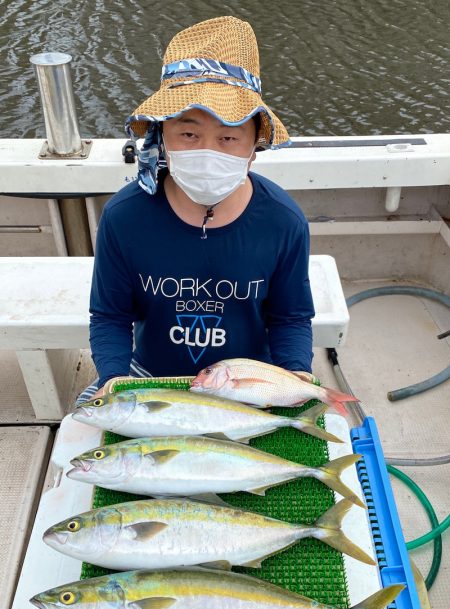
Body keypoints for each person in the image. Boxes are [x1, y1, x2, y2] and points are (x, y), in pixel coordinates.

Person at [77, 15, 315, 405]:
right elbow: (110, 316)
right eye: (189, 133)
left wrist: (296, 373)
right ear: (161, 135)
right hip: (148, 373)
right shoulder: (124, 217)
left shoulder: (283, 221)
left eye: (229, 136)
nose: (207, 151)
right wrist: (115, 379)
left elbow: (290, 317)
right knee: (84, 426)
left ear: (255, 145)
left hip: (249, 377)